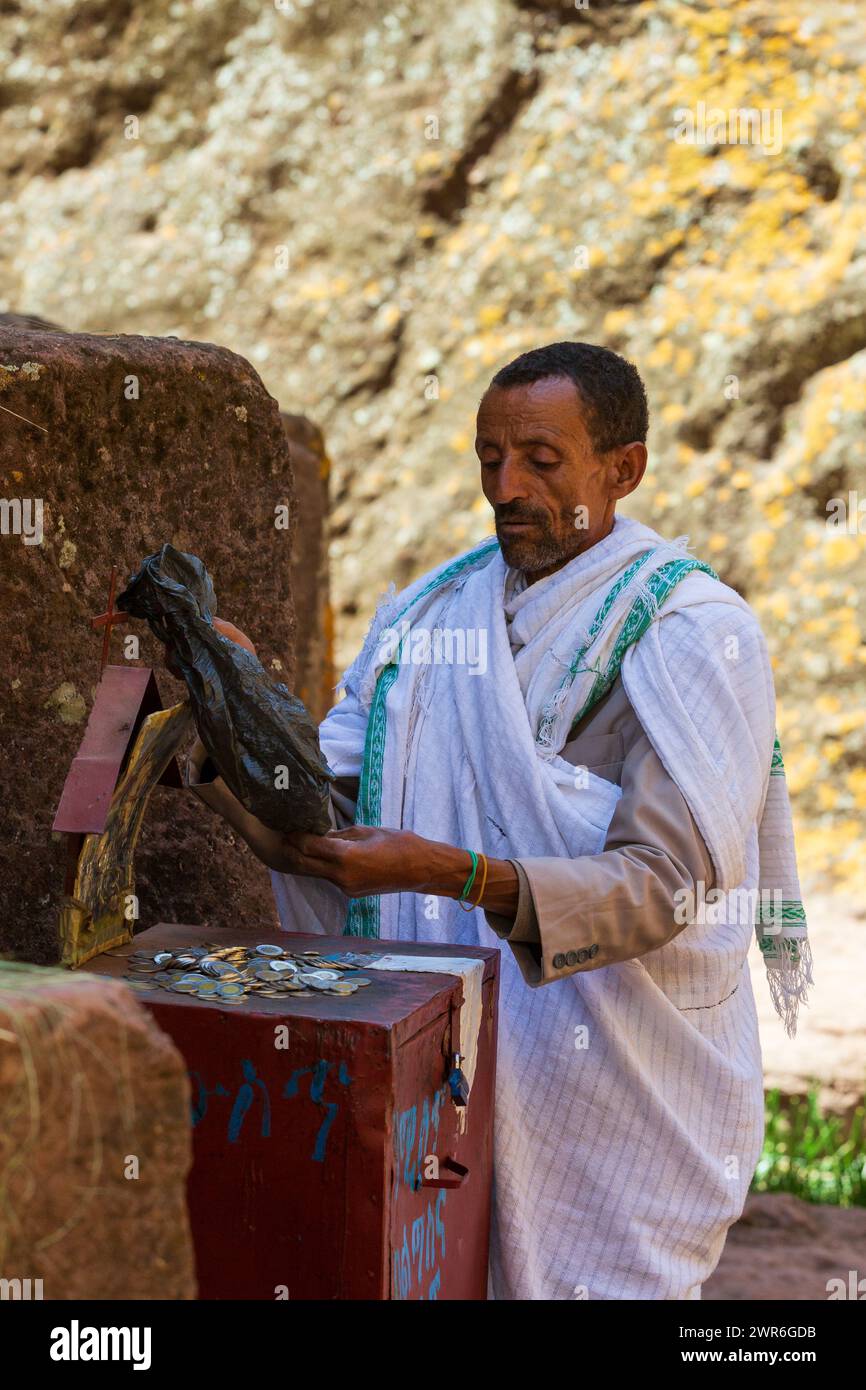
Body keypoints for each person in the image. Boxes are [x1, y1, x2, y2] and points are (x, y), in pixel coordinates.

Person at [187, 341, 811, 1300]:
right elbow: (325, 811)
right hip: (448, 1085)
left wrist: (447, 873)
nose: (505, 486)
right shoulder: (434, 615)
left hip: (613, 1101)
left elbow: (662, 886)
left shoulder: (691, 632)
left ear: (624, 469)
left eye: (540, 460)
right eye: (488, 459)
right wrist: (234, 706)